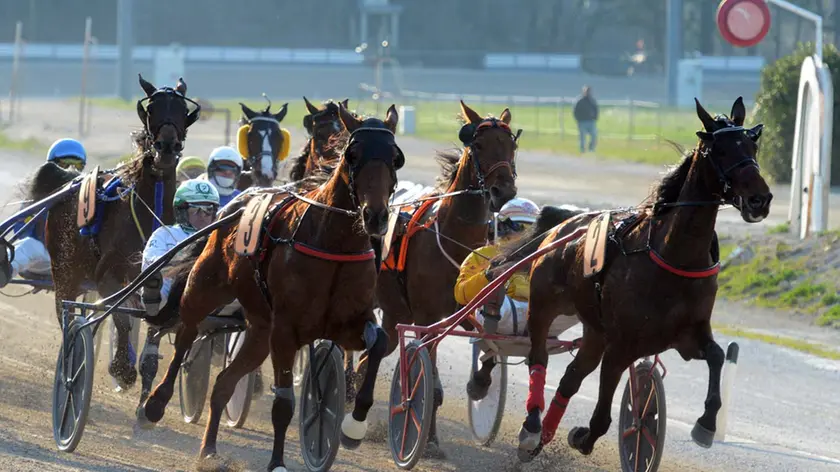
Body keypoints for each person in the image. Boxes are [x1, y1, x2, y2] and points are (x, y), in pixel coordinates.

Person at [454, 197, 577, 337]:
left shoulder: (548, 257)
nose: (530, 235)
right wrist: (489, 275)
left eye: (533, 229)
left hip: (544, 315)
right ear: (501, 227)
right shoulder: (482, 255)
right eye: (522, 228)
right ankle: (493, 305)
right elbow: (461, 294)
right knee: (495, 297)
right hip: (502, 314)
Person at [9, 138, 87, 278]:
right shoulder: (37, 195)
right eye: (65, 164)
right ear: (51, 166)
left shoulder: (87, 196)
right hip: (44, 259)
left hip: (75, 264)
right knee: (29, 245)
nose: (71, 170)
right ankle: (5, 269)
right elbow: (20, 231)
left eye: (77, 166)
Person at [140, 179, 219, 316]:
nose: (202, 216)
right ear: (181, 211)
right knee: (155, 278)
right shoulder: (164, 233)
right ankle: (152, 298)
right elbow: (149, 263)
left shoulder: (218, 236)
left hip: (206, 289)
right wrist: (181, 263)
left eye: (208, 210)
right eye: (195, 210)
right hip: (169, 290)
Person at [573, 85, 599, 154]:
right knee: (582, 137)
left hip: (591, 121)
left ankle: (591, 148)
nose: (588, 92)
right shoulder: (579, 101)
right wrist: (578, 119)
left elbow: (596, 109)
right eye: (586, 91)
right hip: (582, 121)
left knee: (594, 135)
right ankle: (582, 150)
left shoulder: (592, 100)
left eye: (589, 91)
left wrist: (595, 117)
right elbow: (575, 111)